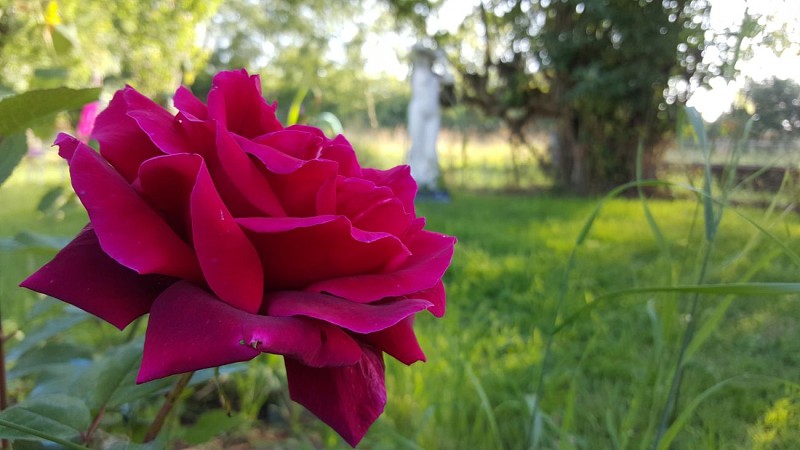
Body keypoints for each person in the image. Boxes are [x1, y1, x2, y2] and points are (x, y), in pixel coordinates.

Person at [407, 43, 453, 200]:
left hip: (432, 114)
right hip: (418, 112)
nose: (423, 60)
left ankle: (430, 182)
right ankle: (414, 182)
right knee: (416, 147)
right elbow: (414, 50)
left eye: (426, 58)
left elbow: (449, 80)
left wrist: (443, 60)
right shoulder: (415, 75)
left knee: (430, 150)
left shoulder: (435, 77)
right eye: (421, 57)